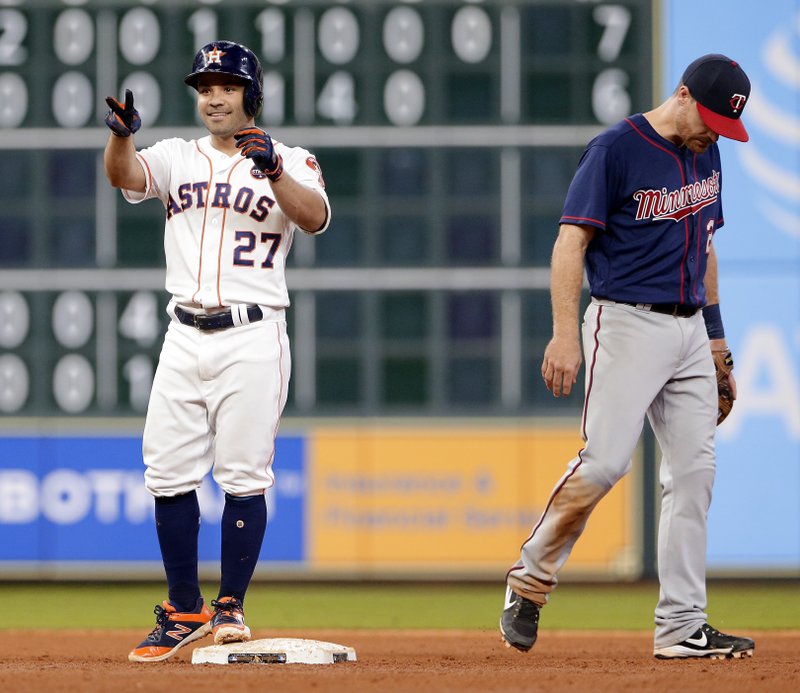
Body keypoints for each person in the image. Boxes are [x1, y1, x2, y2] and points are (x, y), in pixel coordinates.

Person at [500, 54, 755, 660]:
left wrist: (717, 341)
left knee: (694, 475)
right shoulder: (616, 149)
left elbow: (707, 246)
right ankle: (530, 580)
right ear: (684, 94)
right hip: (626, 322)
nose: (715, 132)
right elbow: (571, 241)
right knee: (605, 463)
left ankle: (682, 626)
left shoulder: (707, 150)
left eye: (726, 125)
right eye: (713, 118)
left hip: (691, 328)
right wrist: (565, 334)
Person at [103, 40, 330, 662]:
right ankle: (183, 609)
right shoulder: (176, 157)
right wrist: (121, 138)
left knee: (243, 475)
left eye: (224, 86)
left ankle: (230, 605)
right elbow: (124, 176)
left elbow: (312, 218)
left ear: (249, 94)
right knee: (167, 472)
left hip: (253, 334)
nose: (212, 96)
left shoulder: (293, 159)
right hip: (182, 333)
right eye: (204, 87)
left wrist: (276, 172)